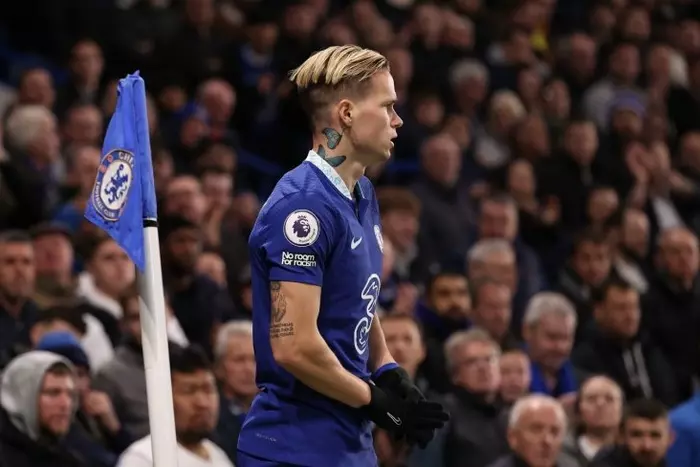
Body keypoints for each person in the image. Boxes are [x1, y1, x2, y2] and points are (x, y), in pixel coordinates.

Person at [237, 45, 449, 467]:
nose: (397, 120)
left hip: (349, 446)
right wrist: (375, 400)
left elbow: (356, 296)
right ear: (347, 114)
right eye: (387, 107)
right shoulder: (302, 208)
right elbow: (294, 347)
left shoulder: (362, 192)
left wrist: (386, 366)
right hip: (293, 449)